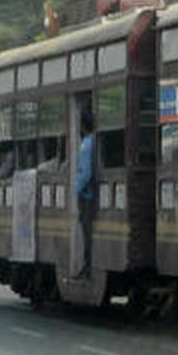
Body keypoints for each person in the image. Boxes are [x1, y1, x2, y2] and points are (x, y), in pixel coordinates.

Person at [73, 110, 96, 279]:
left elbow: (85, 173)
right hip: (92, 195)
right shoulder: (95, 141)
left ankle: (87, 268)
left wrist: (75, 188)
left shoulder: (86, 144)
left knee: (87, 232)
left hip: (87, 197)